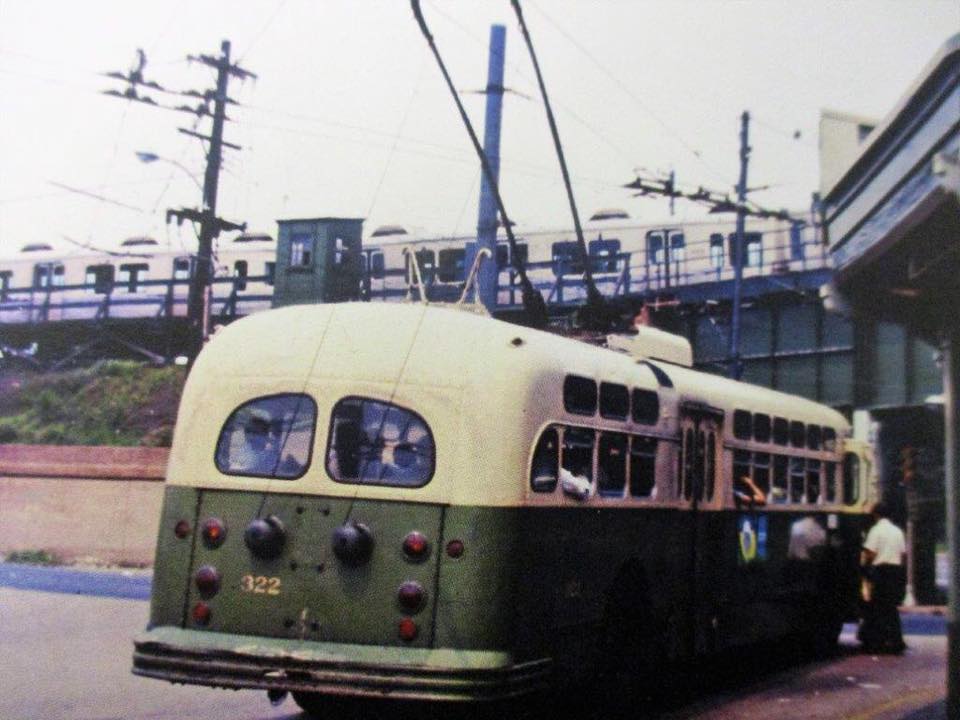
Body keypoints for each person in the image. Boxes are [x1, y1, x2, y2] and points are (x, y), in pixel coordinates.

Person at [859, 501, 907, 654]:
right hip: (896, 571)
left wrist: (865, 568)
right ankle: (896, 640)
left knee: (877, 606)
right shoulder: (897, 531)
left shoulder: (876, 530)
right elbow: (903, 554)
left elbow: (870, 553)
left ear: (876, 515)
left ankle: (876, 641)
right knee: (891, 607)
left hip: (881, 571)